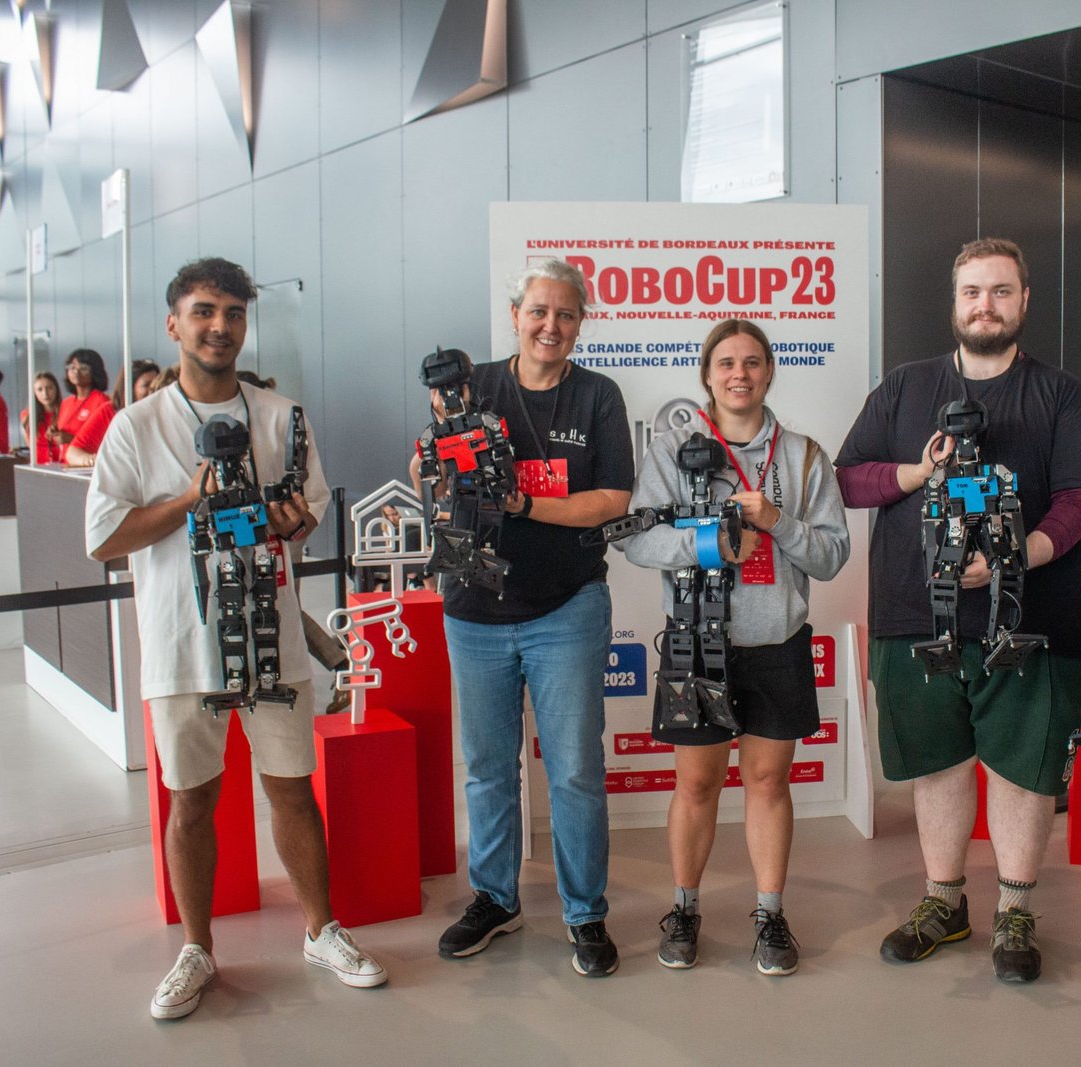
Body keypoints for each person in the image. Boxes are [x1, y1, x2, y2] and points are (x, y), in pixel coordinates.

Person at [84, 257, 385, 1021]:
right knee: (192, 799)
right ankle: (197, 948)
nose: (220, 326)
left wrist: (288, 520)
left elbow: (307, 511)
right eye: (204, 311)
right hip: (180, 642)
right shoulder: (135, 425)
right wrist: (194, 499)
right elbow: (104, 538)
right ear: (174, 323)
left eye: (234, 314)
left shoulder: (283, 416)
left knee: (292, 789)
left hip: (273, 634)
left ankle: (322, 930)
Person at [835, 237, 1081, 985]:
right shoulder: (902, 388)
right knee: (937, 763)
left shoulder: (1061, 395)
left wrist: (1027, 552)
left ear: (1023, 301)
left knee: (1024, 770)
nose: (984, 304)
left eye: (999, 291)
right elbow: (849, 480)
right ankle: (944, 901)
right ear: (953, 304)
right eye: (971, 292)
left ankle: (1016, 908)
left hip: (1031, 614)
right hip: (914, 612)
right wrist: (919, 470)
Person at [422, 259, 633, 977]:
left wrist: (520, 504)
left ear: (581, 323)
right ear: (515, 313)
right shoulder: (469, 386)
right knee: (487, 767)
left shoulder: (598, 395)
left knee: (574, 768)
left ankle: (585, 910)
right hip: (474, 610)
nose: (552, 326)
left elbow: (611, 500)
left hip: (567, 605)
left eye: (567, 315)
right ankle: (494, 896)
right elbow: (431, 469)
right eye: (539, 311)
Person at [622, 319, 849, 976]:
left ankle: (771, 914)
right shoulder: (673, 449)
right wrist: (710, 545)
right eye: (726, 362)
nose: (739, 374)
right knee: (695, 786)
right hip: (697, 643)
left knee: (768, 781)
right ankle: (686, 908)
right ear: (707, 375)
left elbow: (834, 555)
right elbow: (636, 540)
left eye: (752, 362)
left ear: (769, 371)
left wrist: (778, 523)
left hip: (776, 642)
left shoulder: (804, 455)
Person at [66, 359, 160, 467]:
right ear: (129, 388)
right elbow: (72, 453)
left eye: (156, 383)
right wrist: (92, 460)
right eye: (146, 385)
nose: (153, 389)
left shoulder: (163, 412)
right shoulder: (109, 411)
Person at [55, 348, 112, 451]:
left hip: (86, 463)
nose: (76, 372)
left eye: (83, 368)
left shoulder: (101, 401)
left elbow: (105, 441)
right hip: (65, 462)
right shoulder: (66, 402)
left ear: (95, 372)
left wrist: (72, 439)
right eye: (72, 367)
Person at [21, 372, 64, 463]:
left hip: (62, 465)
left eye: (49, 388)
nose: (45, 394)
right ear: (34, 393)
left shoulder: (66, 412)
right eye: (40, 389)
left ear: (56, 389)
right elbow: (30, 444)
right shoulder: (27, 416)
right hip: (38, 466)